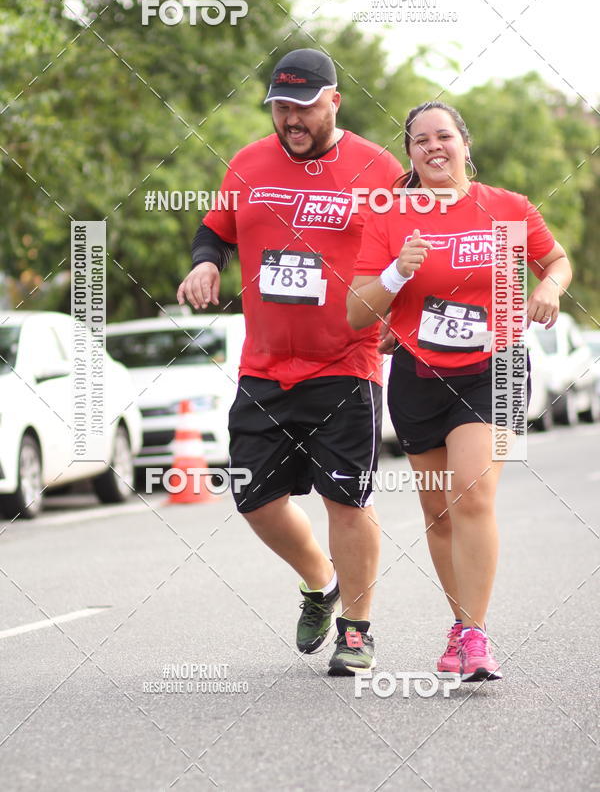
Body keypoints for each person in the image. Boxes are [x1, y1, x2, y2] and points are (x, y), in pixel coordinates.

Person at [177, 49, 403, 675]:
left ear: (334, 101)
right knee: (253, 496)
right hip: (265, 365)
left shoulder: (378, 169)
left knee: (347, 501)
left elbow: (413, 254)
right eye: (280, 107)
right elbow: (215, 230)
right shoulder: (248, 163)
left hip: (345, 362)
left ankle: (356, 631)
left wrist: (402, 323)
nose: (290, 120)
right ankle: (320, 583)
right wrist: (204, 262)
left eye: (303, 108)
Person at [347, 101, 572, 682]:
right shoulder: (390, 215)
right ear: (410, 154)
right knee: (438, 511)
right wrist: (397, 271)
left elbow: (557, 260)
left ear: (465, 144)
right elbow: (356, 314)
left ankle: (475, 634)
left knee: (471, 494)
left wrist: (548, 287)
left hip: (493, 367)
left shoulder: (506, 208)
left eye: (442, 136)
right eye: (419, 140)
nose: (432, 147)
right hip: (419, 374)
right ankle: (460, 624)